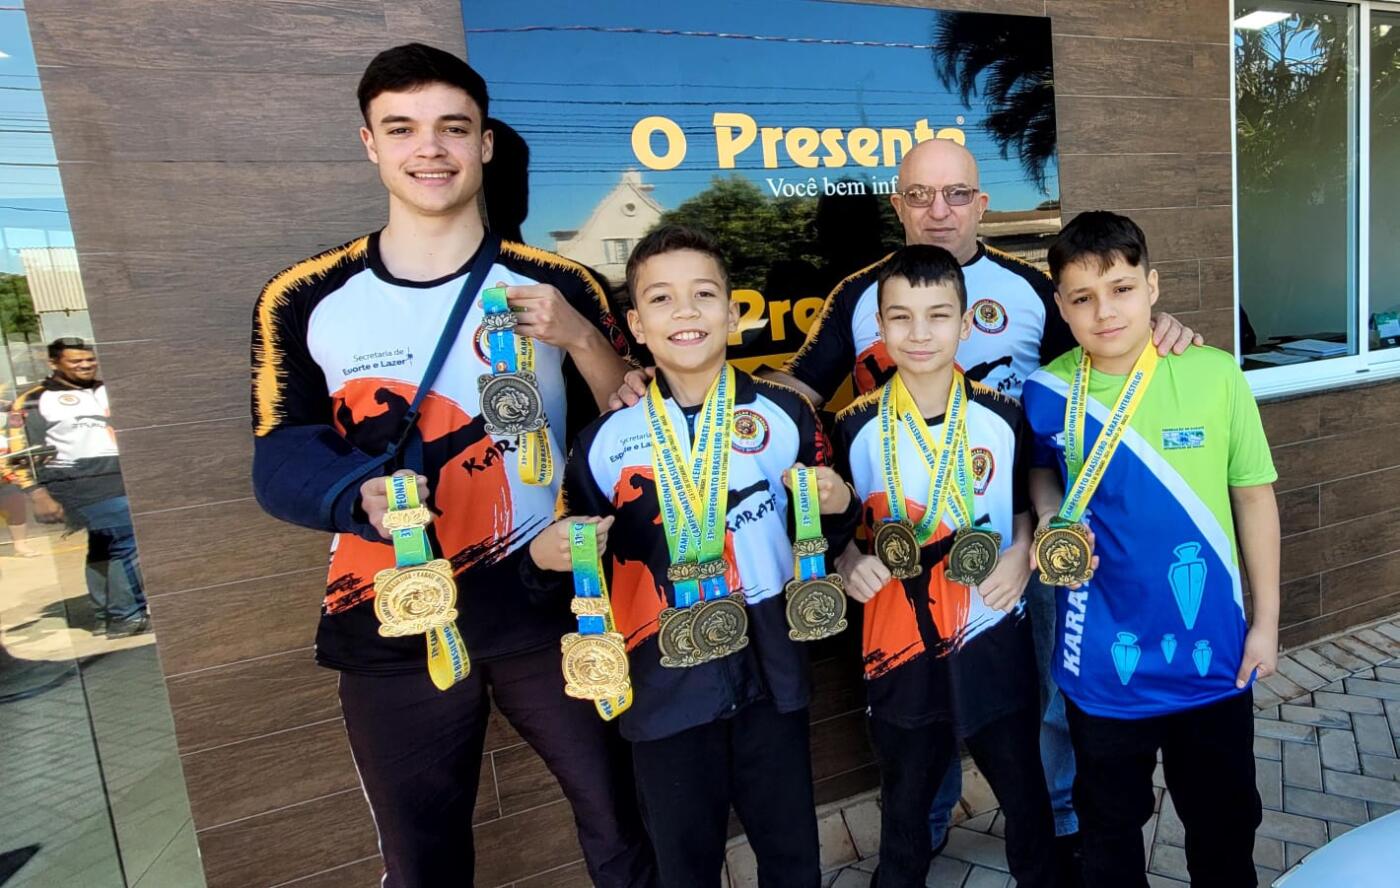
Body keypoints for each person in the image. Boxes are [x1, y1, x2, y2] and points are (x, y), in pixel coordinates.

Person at [249, 43, 654, 888]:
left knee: (622, 825)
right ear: (370, 143)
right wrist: (355, 495)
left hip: (552, 605)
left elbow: (627, 432)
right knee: (422, 860)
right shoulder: (304, 295)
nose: (429, 148)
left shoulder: (560, 282)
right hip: (390, 612)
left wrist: (583, 337)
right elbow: (279, 452)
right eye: (402, 128)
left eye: (453, 128)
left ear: (485, 144)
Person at [560, 225, 861, 887]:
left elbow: (820, 535)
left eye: (703, 294)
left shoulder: (787, 415)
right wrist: (548, 558)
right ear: (637, 326)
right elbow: (574, 569)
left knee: (791, 857)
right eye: (661, 299)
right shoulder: (603, 441)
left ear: (733, 312)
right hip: (662, 686)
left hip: (772, 677)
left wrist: (841, 506)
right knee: (685, 865)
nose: (686, 311)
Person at [1022, 211, 1279, 888]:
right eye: (1082, 297)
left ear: (1153, 286)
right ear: (1061, 307)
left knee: (1225, 831)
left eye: (1122, 289)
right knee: (1109, 838)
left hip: (1214, 658)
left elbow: (1255, 499)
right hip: (1101, 663)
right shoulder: (1046, 390)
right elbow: (1042, 467)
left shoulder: (1215, 374)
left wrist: (1267, 624)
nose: (1105, 311)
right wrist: (1049, 514)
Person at [833, 245, 1054, 887]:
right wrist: (847, 561)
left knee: (1026, 794)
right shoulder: (850, 426)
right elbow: (833, 534)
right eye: (901, 317)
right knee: (904, 806)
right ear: (880, 325)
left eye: (937, 315)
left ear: (964, 321)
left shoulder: (1004, 413)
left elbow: (1022, 508)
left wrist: (1022, 555)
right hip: (897, 644)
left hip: (992, 633)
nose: (920, 333)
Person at [7, 338, 147, 633]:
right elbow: (19, 452)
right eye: (75, 361)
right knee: (126, 539)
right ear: (54, 363)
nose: (85, 365)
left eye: (89, 360)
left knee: (104, 545)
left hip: (118, 475)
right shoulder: (35, 399)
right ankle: (128, 615)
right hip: (75, 480)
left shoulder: (106, 389)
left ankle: (106, 616)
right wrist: (36, 493)